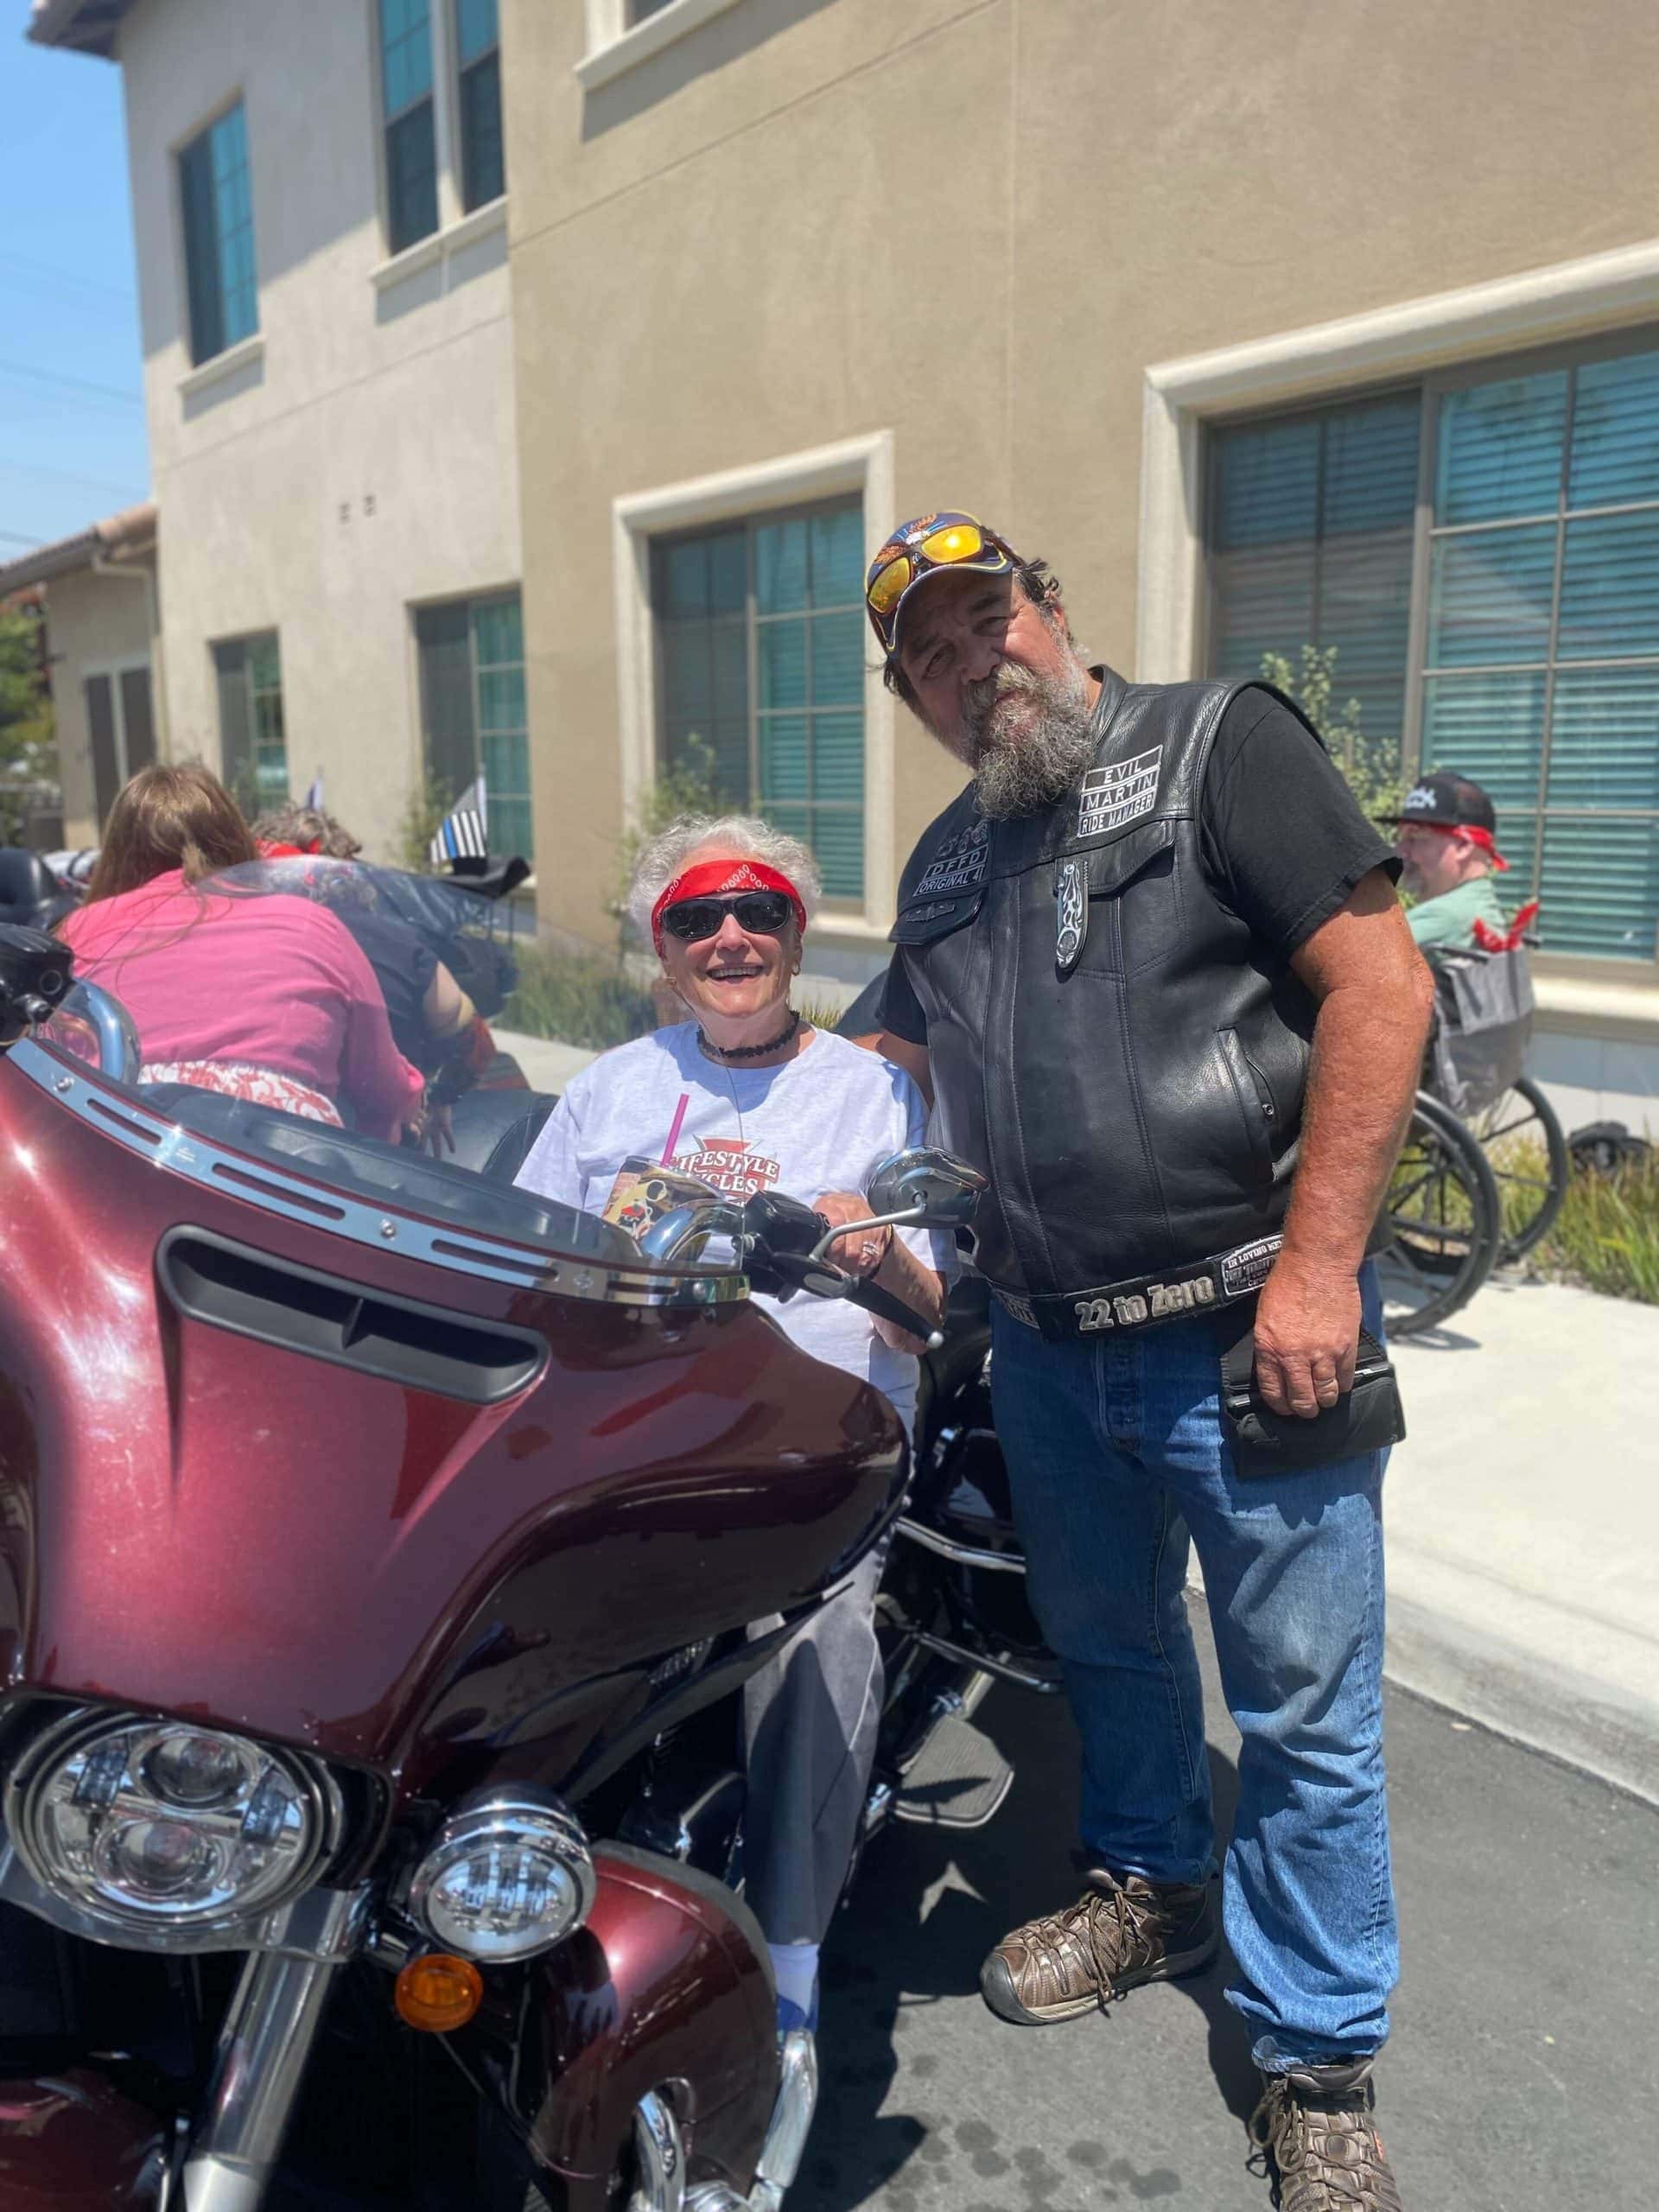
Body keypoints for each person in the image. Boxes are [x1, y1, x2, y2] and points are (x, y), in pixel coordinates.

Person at [860, 512, 1433, 2209]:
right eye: (934, 659)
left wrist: (1322, 1269)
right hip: (1045, 1348)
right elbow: (881, 1076)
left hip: (1250, 1328)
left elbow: (1381, 989)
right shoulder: (948, 862)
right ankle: (1155, 1882)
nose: (977, 667)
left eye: (990, 622)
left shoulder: (1214, 747)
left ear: (1052, 604)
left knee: (1306, 1713)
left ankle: (1318, 2056)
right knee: (1108, 1650)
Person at [512, 814, 953, 2051]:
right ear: (664, 949)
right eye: (697, 917)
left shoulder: (873, 1094)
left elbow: (928, 1317)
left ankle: (798, 1952)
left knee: (820, 1643)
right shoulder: (613, 1087)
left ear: (798, 933)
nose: (732, 937)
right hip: (632, 1439)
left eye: (760, 911)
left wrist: (865, 1248)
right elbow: (519, 1266)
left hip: (810, 1446)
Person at [59, 764, 425, 1138]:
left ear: (116, 853)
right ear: (234, 838)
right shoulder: (311, 924)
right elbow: (384, 1088)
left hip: (122, 1148)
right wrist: (412, 1098)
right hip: (286, 1166)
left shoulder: (78, 933)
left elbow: (50, 1068)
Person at [251, 802, 488, 1149]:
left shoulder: (249, 940)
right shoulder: (401, 944)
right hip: (385, 1161)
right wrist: (441, 1098)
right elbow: (471, 1035)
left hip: (261, 1145)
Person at [1388, 772, 1511, 950]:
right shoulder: (1478, 906)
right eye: (1402, 838)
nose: (1402, 851)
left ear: (1463, 846)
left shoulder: (1447, 917)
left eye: (1415, 837)